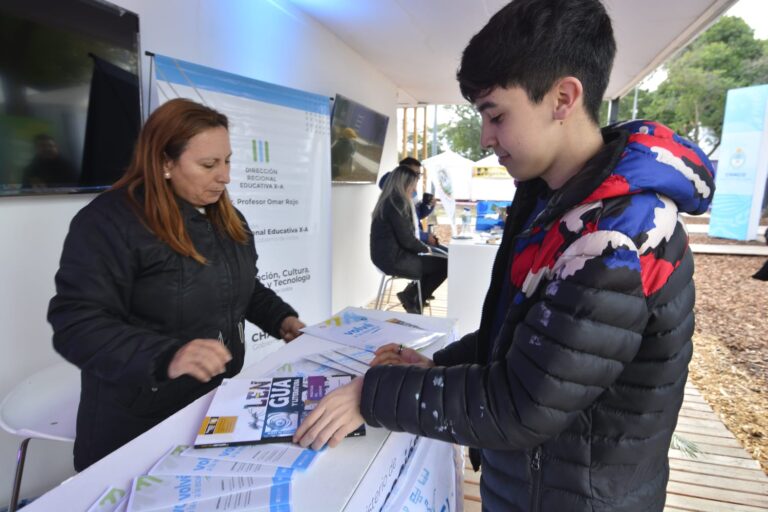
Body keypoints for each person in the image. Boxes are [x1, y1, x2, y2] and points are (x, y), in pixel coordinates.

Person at [294, 1, 716, 511]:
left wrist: (373, 394)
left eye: (496, 115)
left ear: (563, 98)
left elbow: (521, 403)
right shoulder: (552, 201)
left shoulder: (615, 238)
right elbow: (523, 336)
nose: (486, 138)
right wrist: (434, 366)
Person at [48, 98, 305, 471]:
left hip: (211, 403)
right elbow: (77, 324)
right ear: (165, 162)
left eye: (227, 160)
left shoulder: (227, 218)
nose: (225, 176)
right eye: (208, 165)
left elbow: (242, 286)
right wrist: (167, 356)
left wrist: (281, 319)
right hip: (137, 419)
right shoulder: (109, 222)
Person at [370, 165, 447, 313]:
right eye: (413, 185)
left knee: (440, 260)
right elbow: (407, 239)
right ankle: (413, 297)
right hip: (394, 259)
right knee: (445, 264)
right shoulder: (397, 203)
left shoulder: (389, 200)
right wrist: (427, 249)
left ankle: (414, 296)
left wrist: (426, 250)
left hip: (388, 257)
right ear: (404, 184)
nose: (415, 189)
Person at [379, 157, 444, 249]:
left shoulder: (411, 191)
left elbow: (417, 214)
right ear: (404, 171)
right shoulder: (395, 196)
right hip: (405, 246)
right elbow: (404, 231)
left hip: (415, 238)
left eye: (419, 174)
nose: (417, 178)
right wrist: (426, 238)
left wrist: (428, 205)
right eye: (415, 173)